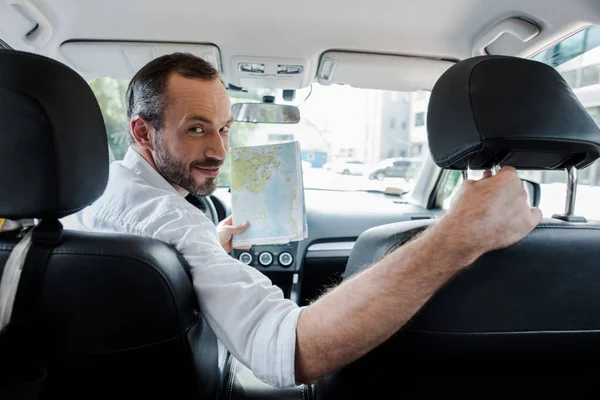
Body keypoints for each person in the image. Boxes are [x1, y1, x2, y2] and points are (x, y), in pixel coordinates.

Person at [65, 52, 542, 388]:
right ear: (142, 132)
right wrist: (461, 232)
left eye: (225, 128)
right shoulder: (172, 223)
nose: (219, 151)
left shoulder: (95, 194)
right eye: (196, 129)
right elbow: (288, 352)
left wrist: (206, 249)